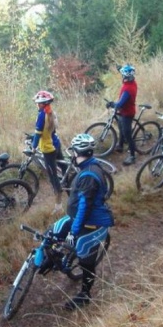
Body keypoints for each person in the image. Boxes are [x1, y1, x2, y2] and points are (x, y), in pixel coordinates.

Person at [46, 133, 114, 310]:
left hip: (93, 223)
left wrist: (73, 232)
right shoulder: (89, 166)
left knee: (85, 257)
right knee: (52, 232)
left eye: (73, 152)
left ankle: (85, 294)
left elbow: (85, 208)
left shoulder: (89, 175)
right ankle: (51, 260)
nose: (72, 155)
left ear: (77, 152)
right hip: (78, 217)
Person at [31, 90, 64, 214]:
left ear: (41, 104)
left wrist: (33, 147)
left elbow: (38, 133)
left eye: (37, 103)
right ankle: (70, 183)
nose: (36, 105)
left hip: (48, 148)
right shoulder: (51, 112)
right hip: (56, 143)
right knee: (63, 165)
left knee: (53, 176)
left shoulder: (41, 115)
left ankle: (59, 204)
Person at [106, 64, 138, 166]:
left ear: (126, 76)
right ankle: (120, 146)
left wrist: (112, 104)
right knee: (120, 127)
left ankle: (132, 156)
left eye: (123, 75)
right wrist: (120, 68)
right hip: (125, 111)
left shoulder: (128, 89)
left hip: (127, 113)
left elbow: (119, 104)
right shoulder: (132, 82)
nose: (122, 76)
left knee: (128, 135)